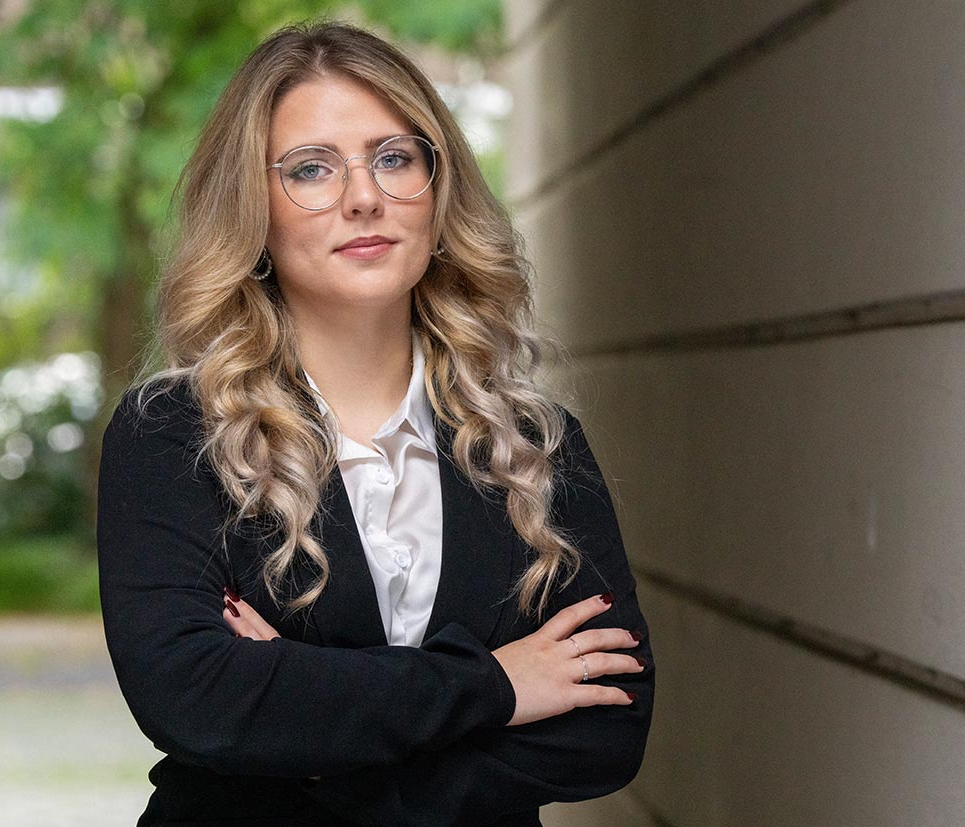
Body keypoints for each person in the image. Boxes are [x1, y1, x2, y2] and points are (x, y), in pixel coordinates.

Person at [95, 18, 653, 827]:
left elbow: (610, 724)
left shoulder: (534, 441)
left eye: (394, 158)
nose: (364, 197)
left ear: (438, 188)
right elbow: (196, 696)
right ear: (254, 209)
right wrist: (497, 685)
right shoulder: (173, 432)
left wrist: (319, 742)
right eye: (311, 170)